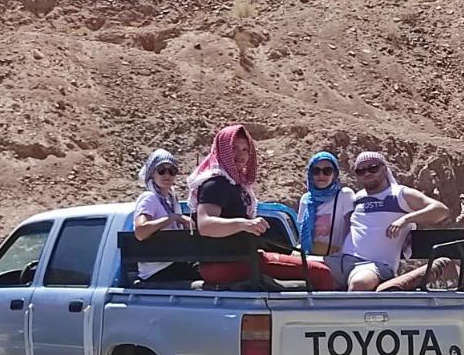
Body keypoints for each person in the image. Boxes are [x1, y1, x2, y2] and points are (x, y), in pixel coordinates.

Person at [187, 124, 335, 290]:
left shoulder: (235, 185)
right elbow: (206, 225)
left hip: (238, 257)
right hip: (226, 262)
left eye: (245, 149)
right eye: (233, 148)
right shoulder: (216, 183)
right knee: (321, 273)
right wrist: (245, 224)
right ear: (222, 150)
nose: (240, 155)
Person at [341, 151, 454, 291]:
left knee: (359, 284)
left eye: (373, 168)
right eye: (361, 171)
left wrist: (405, 219)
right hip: (344, 260)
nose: (367, 173)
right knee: (309, 269)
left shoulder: (400, 194)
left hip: (376, 265)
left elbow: (440, 210)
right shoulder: (358, 198)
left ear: (384, 168)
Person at [132, 148, 195, 284]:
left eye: (172, 171)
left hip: (174, 262)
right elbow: (140, 231)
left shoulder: (171, 199)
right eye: (161, 170)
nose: (167, 175)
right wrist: (173, 218)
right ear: (152, 173)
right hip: (157, 271)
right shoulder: (150, 198)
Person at [297, 151, 356, 287]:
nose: (321, 175)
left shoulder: (344, 195)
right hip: (310, 257)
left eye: (327, 171)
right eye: (316, 171)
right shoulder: (306, 199)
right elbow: (301, 233)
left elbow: (351, 231)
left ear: (335, 174)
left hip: (335, 260)